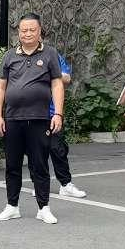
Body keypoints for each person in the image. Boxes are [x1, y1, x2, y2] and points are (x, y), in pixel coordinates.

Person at [0, 13, 65, 224]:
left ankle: (43, 208)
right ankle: (12, 206)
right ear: (19, 32)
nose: (28, 33)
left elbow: (57, 84)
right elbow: (0, 87)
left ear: (40, 31)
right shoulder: (9, 56)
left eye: (32, 29)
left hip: (40, 118)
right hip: (12, 119)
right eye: (24, 30)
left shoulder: (50, 54)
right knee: (12, 165)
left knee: (39, 165)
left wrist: (58, 113)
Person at [47, 53, 87, 198]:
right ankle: (39, 185)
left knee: (58, 149)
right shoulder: (22, 56)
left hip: (53, 113)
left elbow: (67, 78)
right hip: (31, 113)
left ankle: (65, 185)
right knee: (36, 151)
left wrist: (46, 73)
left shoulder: (53, 55)